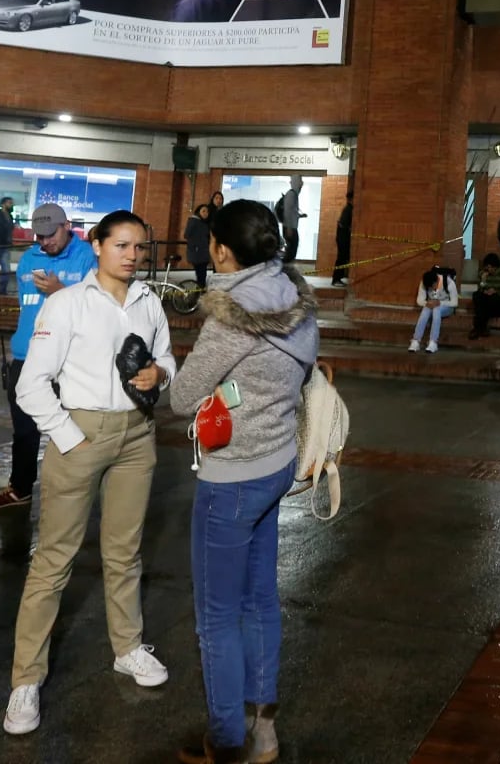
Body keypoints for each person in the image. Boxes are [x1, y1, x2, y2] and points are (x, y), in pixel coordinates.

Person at [4, 211, 177, 736]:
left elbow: (167, 358)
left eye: (139, 247)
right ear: (97, 246)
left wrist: (161, 374)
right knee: (54, 557)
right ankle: (25, 680)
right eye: (120, 244)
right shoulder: (67, 302)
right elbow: (30, 384)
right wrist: (67, 434)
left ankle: (127, 648)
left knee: (125, 551)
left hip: (138, 435)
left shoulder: (149, 302)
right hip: (79, 433)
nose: (131, 254)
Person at [170, 199, 319, 764]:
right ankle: (264, 730)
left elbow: (184, 398)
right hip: (277, 460)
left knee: (217, 614)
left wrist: (175, 378)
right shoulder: (294, 295)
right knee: (259, 599)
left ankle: (227, 739)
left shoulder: (233, 313)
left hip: (232, 475)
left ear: (222, 250)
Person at [0, 203, 98, 513]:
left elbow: (94, 309)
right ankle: (20, 487)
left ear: (66, 226)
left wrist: (60, 291)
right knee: (24, 429)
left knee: (69, 427)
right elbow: (28, 306)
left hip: (68, 359)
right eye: (39, 236)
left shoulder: (85, 257)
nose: (45, 241)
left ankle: (72, 493)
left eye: (51, 234)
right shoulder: (29, 258)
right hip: (26, 354)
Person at [409, 264, 457, 353]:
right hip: (432, 306)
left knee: (436, 309)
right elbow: (419, 300)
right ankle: (416, 340)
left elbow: (454, 303)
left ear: (436, 281)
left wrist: (440, 302)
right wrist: (428, 303)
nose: (431, 289)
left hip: (447, 307)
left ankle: (433, 342)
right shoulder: (424, 282)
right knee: (426, 308)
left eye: (432, 286)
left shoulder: (448, 282)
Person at [471, 252, 500, 338]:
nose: (488, 269)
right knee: (477, 296)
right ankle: (482, 329)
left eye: (490, 267)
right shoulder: (483, 274)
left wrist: (495, 292)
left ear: (495, 267)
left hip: (499, 303)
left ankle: (478, 329)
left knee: (488, 303)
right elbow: (480, 290)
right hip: (486, 301)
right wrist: (483, 281)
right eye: (487, 267)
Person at [186, 202, 214, 289]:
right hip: (197, 253)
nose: (206, 213)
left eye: (207, 212)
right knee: (200, 275)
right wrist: (196, 244)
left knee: (202, 275)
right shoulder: (194, 221)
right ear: (198, 212)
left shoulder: (204, 223)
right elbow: (187, 234)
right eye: (203, 211)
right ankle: (198, 294)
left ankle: (199, 293)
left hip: (203, 253)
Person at [331, 191, 353, 286]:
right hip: (343, 239)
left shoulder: (349, 209)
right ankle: (336, 279)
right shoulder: (348, 209)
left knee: (343, 258)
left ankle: (338, 279)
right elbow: (343, 225)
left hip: (343, 238)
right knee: (341, 258)